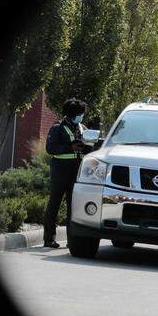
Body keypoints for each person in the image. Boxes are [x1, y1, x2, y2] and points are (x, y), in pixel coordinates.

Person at [43, 98, 90, 248]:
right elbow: (50, 148)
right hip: (60, 170)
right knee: (54, 203)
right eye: (80, 114)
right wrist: (71, 148)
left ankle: (72, 241)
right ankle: (49, 239)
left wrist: (87, 147)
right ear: (72, 114)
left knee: (73, 206)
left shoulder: (83, 128)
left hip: (77, 171)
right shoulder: (57, 128)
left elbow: (90, 149)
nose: (82, 116)